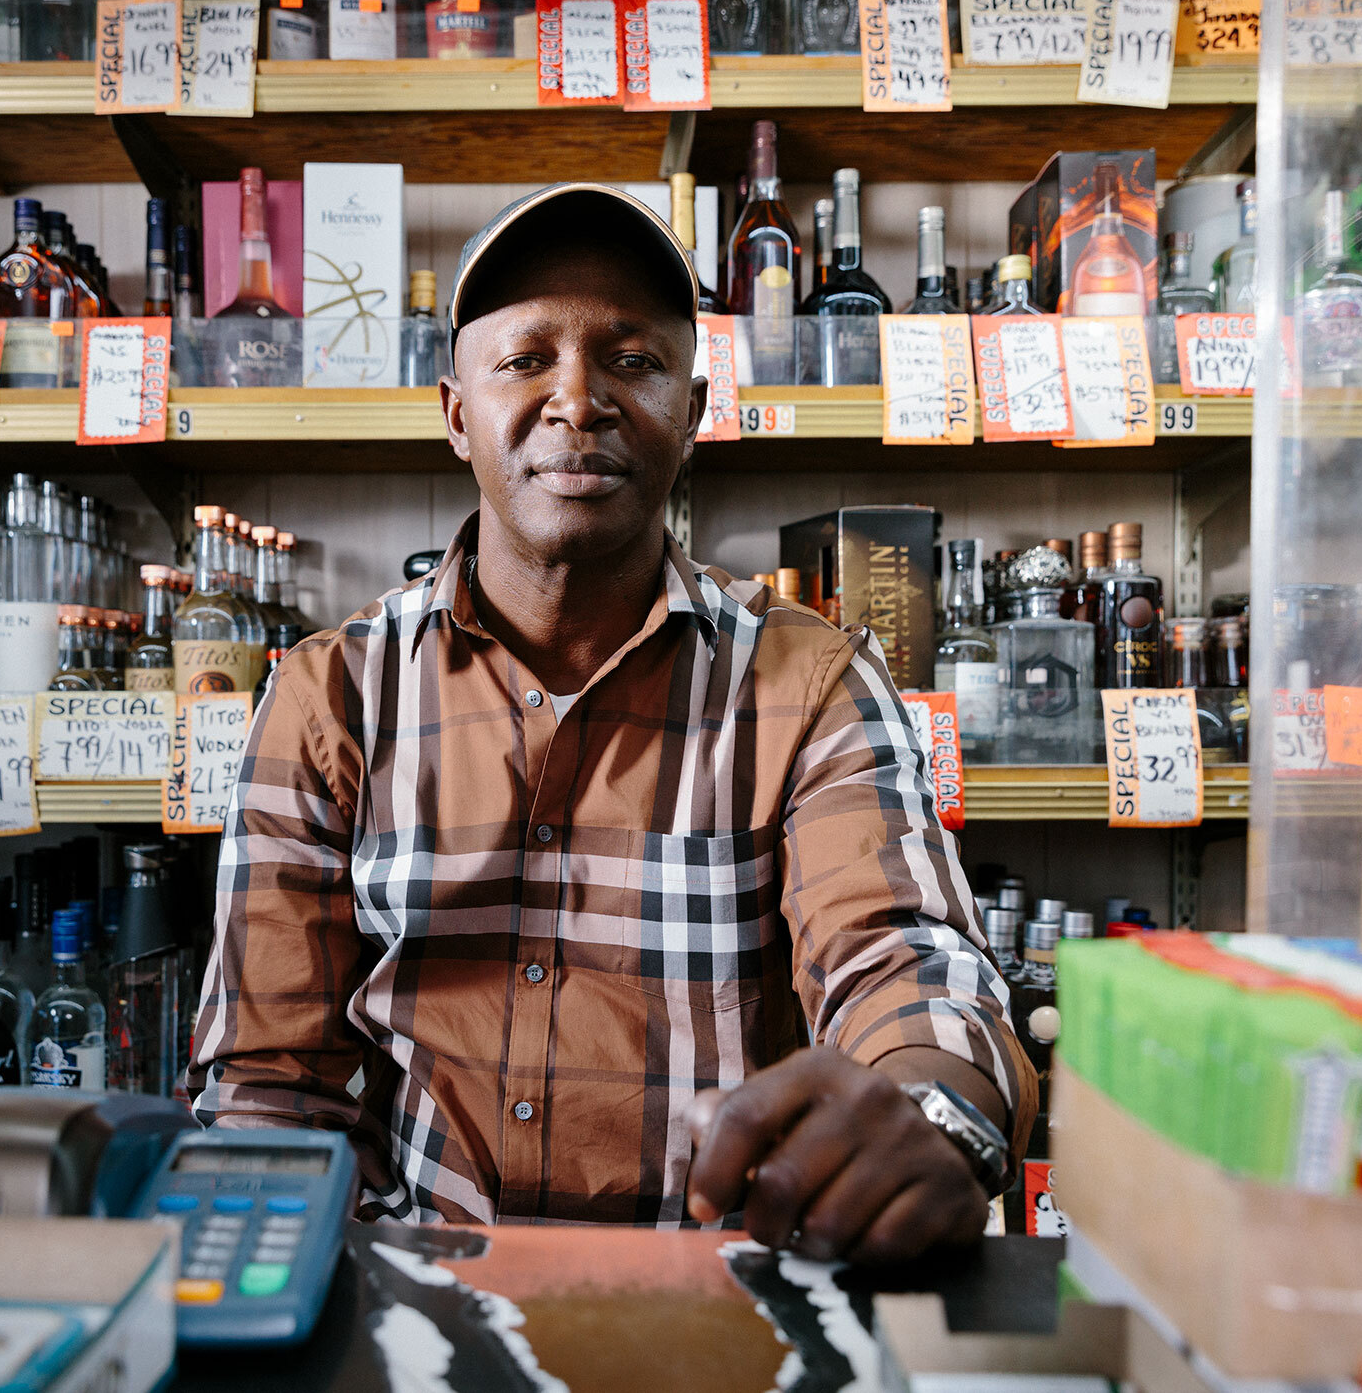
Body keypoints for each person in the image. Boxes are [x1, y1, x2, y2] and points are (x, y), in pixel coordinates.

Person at [189, 185, 1034, 1263]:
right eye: (525, 359)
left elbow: (902, 959)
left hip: (723, 1300)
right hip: (416, 1295)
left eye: (632, 361)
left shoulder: (810, 682)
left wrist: (932, 1115)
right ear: (456, 413)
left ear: (693, 409)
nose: (576, 399)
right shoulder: (330, 696)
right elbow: (269, 1082)